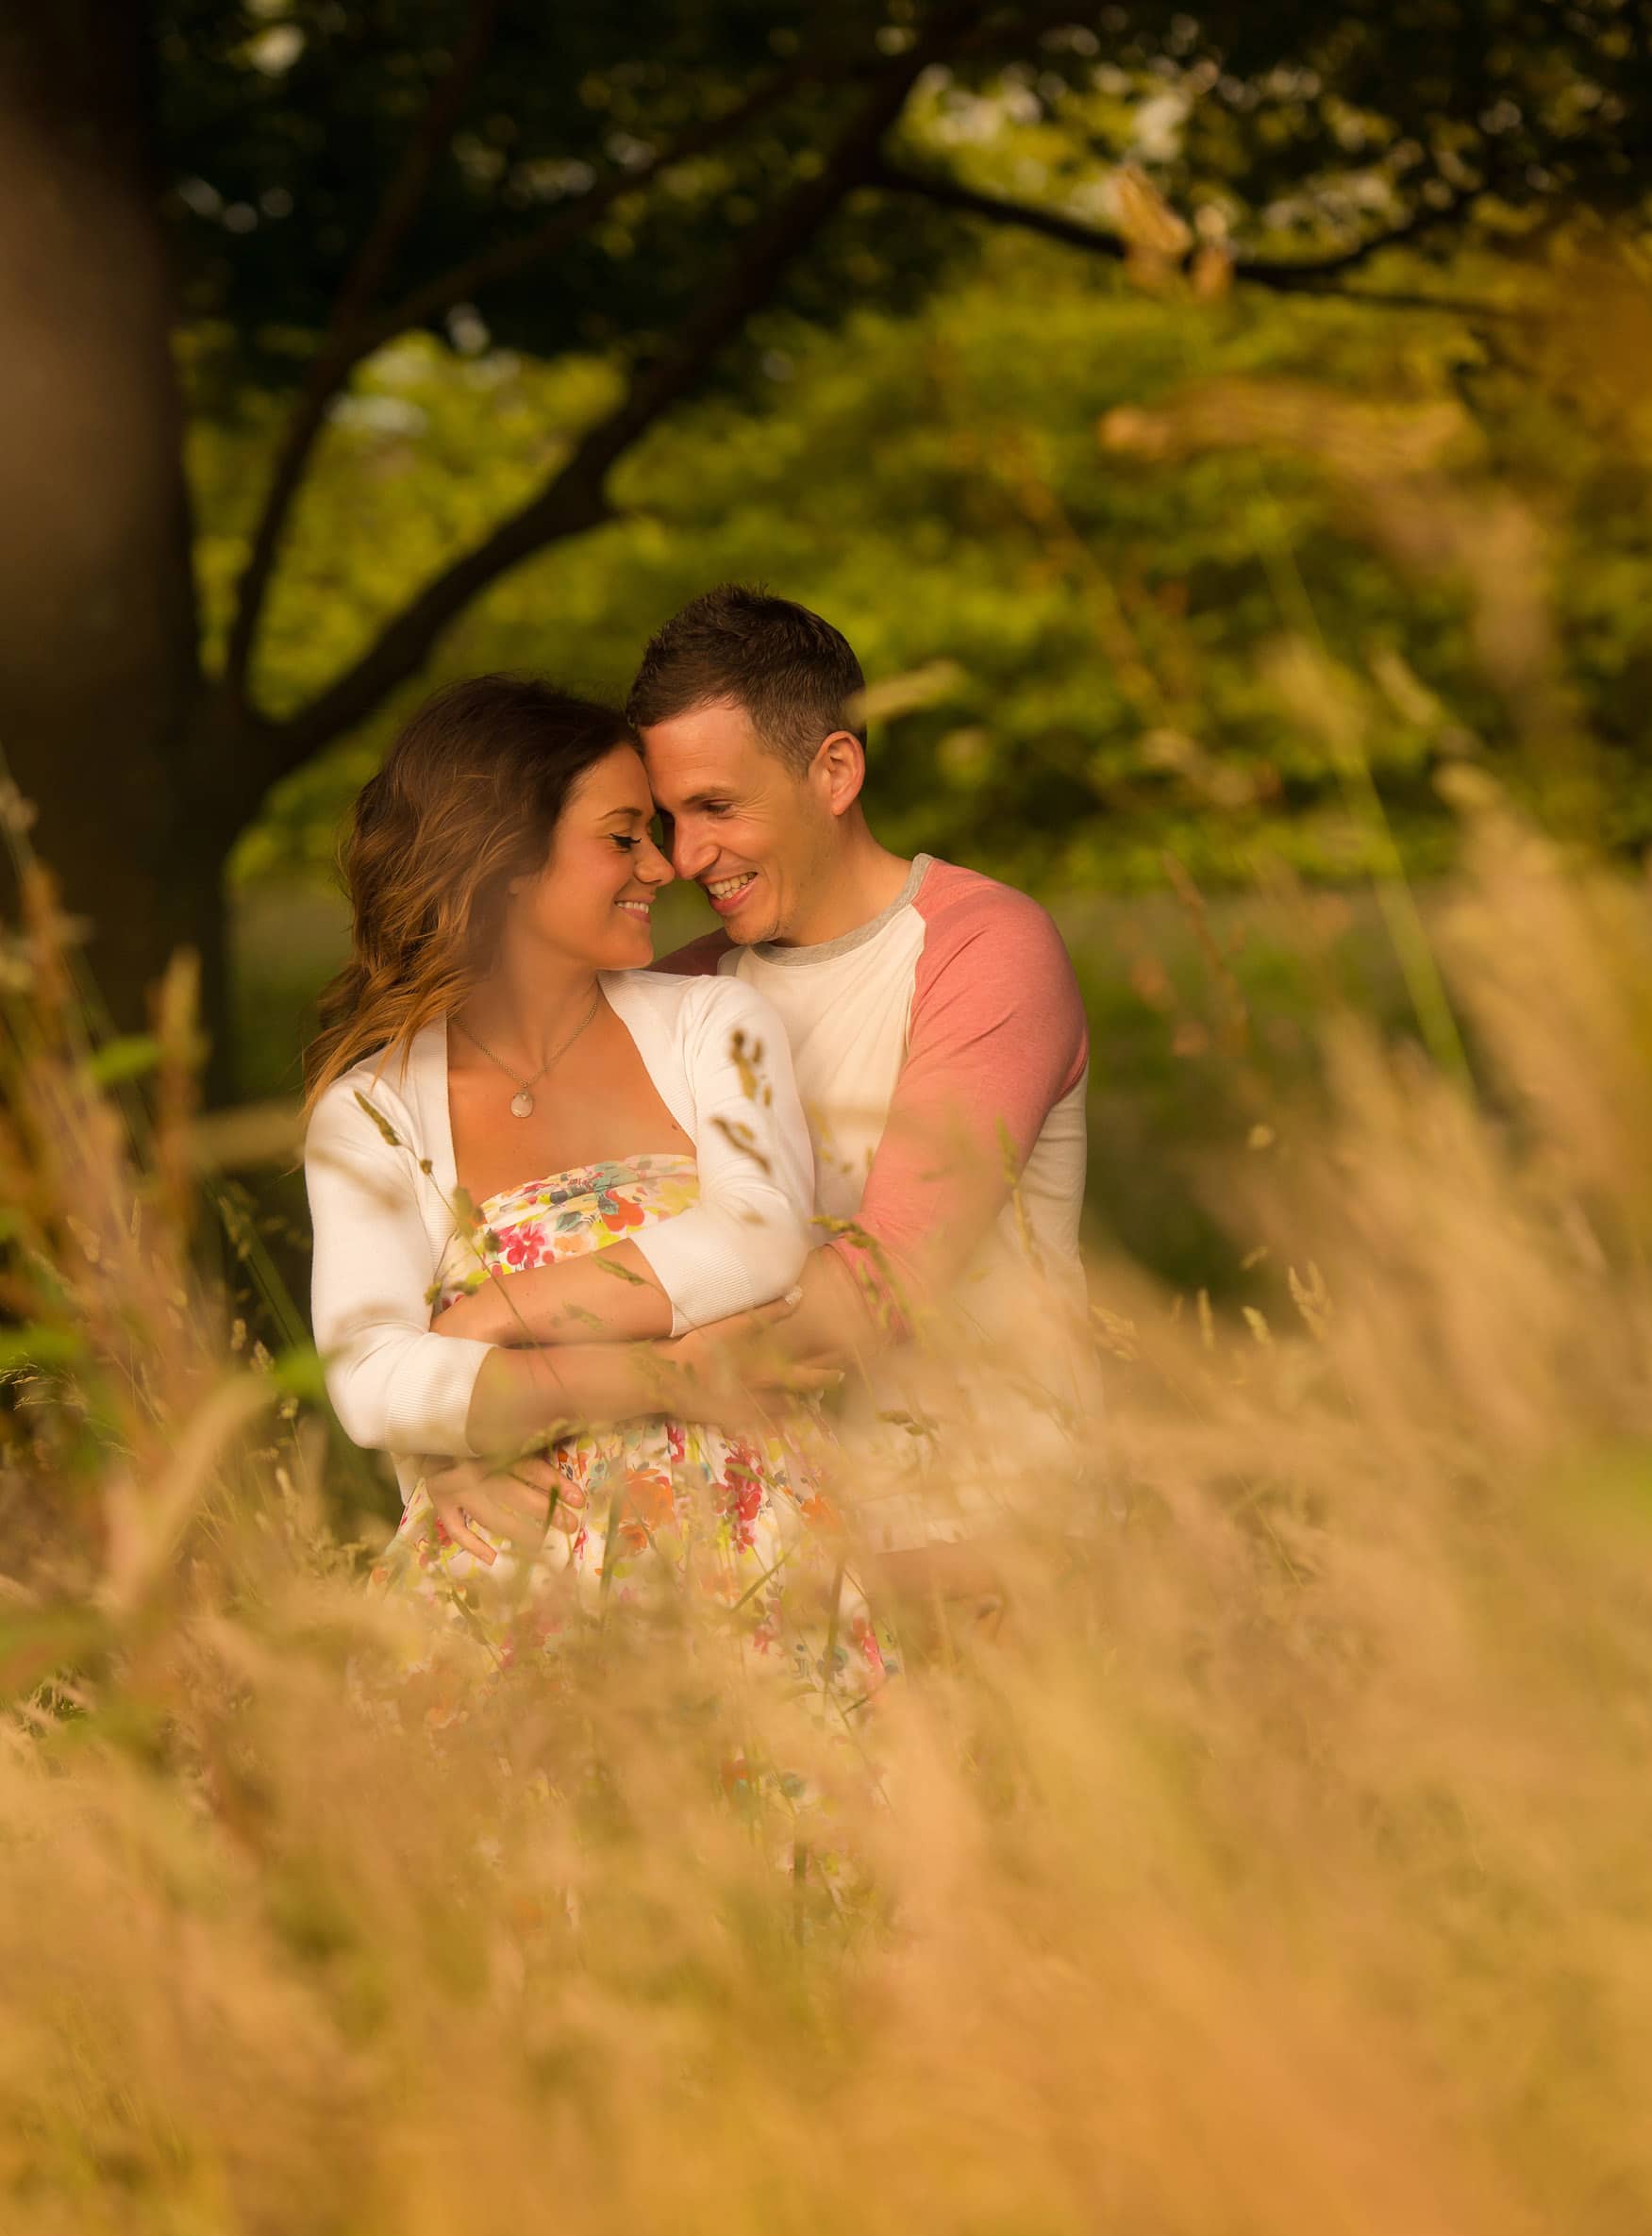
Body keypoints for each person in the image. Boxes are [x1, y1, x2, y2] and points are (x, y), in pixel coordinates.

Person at [425, 591, 1098, 1614]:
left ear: (833, 770)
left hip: (979, 1537)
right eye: (661, 821)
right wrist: (456, 1434)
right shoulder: (682, 997)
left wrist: (524, 1386)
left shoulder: (981, 948)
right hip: (758, 1553)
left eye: (717, 808)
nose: (685, 858)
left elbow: (877, 1288)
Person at [303, 674, 886, 1711]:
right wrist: (666, 1377)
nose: (662, 866)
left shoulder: (712, 1027)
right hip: (511, 1591)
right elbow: (369, 1380)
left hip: (752, 1559)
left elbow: (755, 1238)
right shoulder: (373, 1112)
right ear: (508, 863)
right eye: (623, 837)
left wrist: (487, 1321)